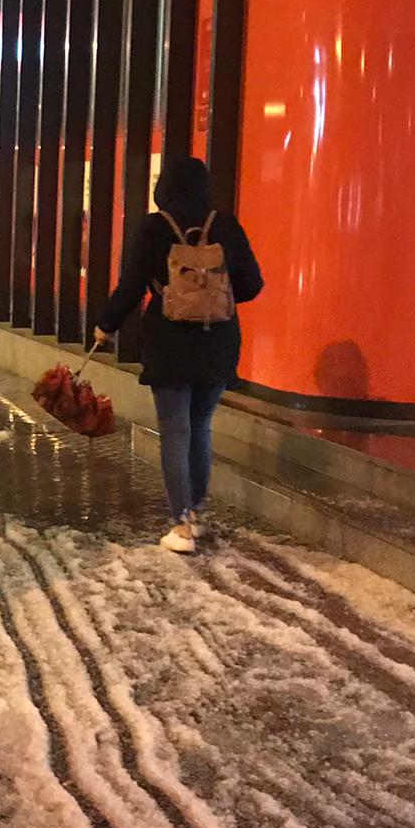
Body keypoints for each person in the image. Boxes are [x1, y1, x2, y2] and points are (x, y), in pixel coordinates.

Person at [93, 157, 263, 554]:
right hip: (218, 340)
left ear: (164, 186)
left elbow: (132, 286)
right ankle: (196, 513)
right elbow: (253, 285)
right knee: (201, 426)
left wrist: (106, 325)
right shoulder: (226, 225)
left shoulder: (155, 227)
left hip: (169, 340)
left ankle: (181, 525)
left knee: (175, 430)